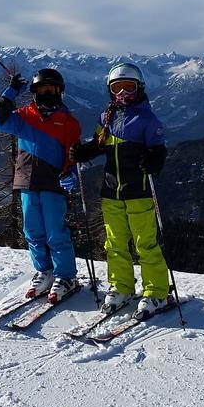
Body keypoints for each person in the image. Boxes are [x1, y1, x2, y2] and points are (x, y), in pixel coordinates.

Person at [69, 62, 172, 318]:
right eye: (118, 88)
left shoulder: (146, 119)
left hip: (138, 192)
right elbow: (99, 143)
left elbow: (159, 150)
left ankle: (156, 292)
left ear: (139, 88)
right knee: (114, 243)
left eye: (129, 87)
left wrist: (154, 160)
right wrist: (84, 152)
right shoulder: (106, 117)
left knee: (145, 244)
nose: (123, 93)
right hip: (111, 192)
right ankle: (122, 286)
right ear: (110, 90)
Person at [0, 68, 82, 303]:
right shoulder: (23, 116)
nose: (47, 93)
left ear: (60, 91)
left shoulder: (68, 122)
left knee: (56, 233)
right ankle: (45, 271)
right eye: (43, 88)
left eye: (52, 89)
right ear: (34, 92)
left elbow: (73, 154)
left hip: (54, 183)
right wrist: (11, 91)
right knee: (32, 232)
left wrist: (70, 174)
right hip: (27, 182)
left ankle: (66, 276)